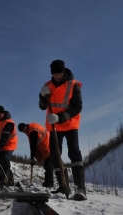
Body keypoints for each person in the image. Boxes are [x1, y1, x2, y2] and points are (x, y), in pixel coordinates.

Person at [38, 59, 86, 201]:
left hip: (69, 124)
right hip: (53, 127)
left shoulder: (73, 85)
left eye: (60, 73)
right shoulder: (47, 85)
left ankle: (80, 188)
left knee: (74, 153)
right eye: (55, 74)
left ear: (64, 72)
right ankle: (63, 185)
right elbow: (42, 106)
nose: (57, 76)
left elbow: (77, 107)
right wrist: (41, 96)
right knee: (55, 156)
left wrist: (60, 117)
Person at [17, 122, 53, 187]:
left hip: (47, 147)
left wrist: (32, 157)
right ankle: (50, 183)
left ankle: (48, 183)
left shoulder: (32, 131)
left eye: (23, 131)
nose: (24, 133)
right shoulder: (33, 127)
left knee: (48, 166)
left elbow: (33, 145)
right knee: (48, 166)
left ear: (24, 128)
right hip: (49, 145)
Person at [0, 105, 18, 187]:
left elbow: (4, 138)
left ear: (4, 114)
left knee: (5, 160)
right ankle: (9, 181)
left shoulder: (8, 123)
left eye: (0, 114)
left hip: (9, 145)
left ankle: (5, 179)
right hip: (0, 146)